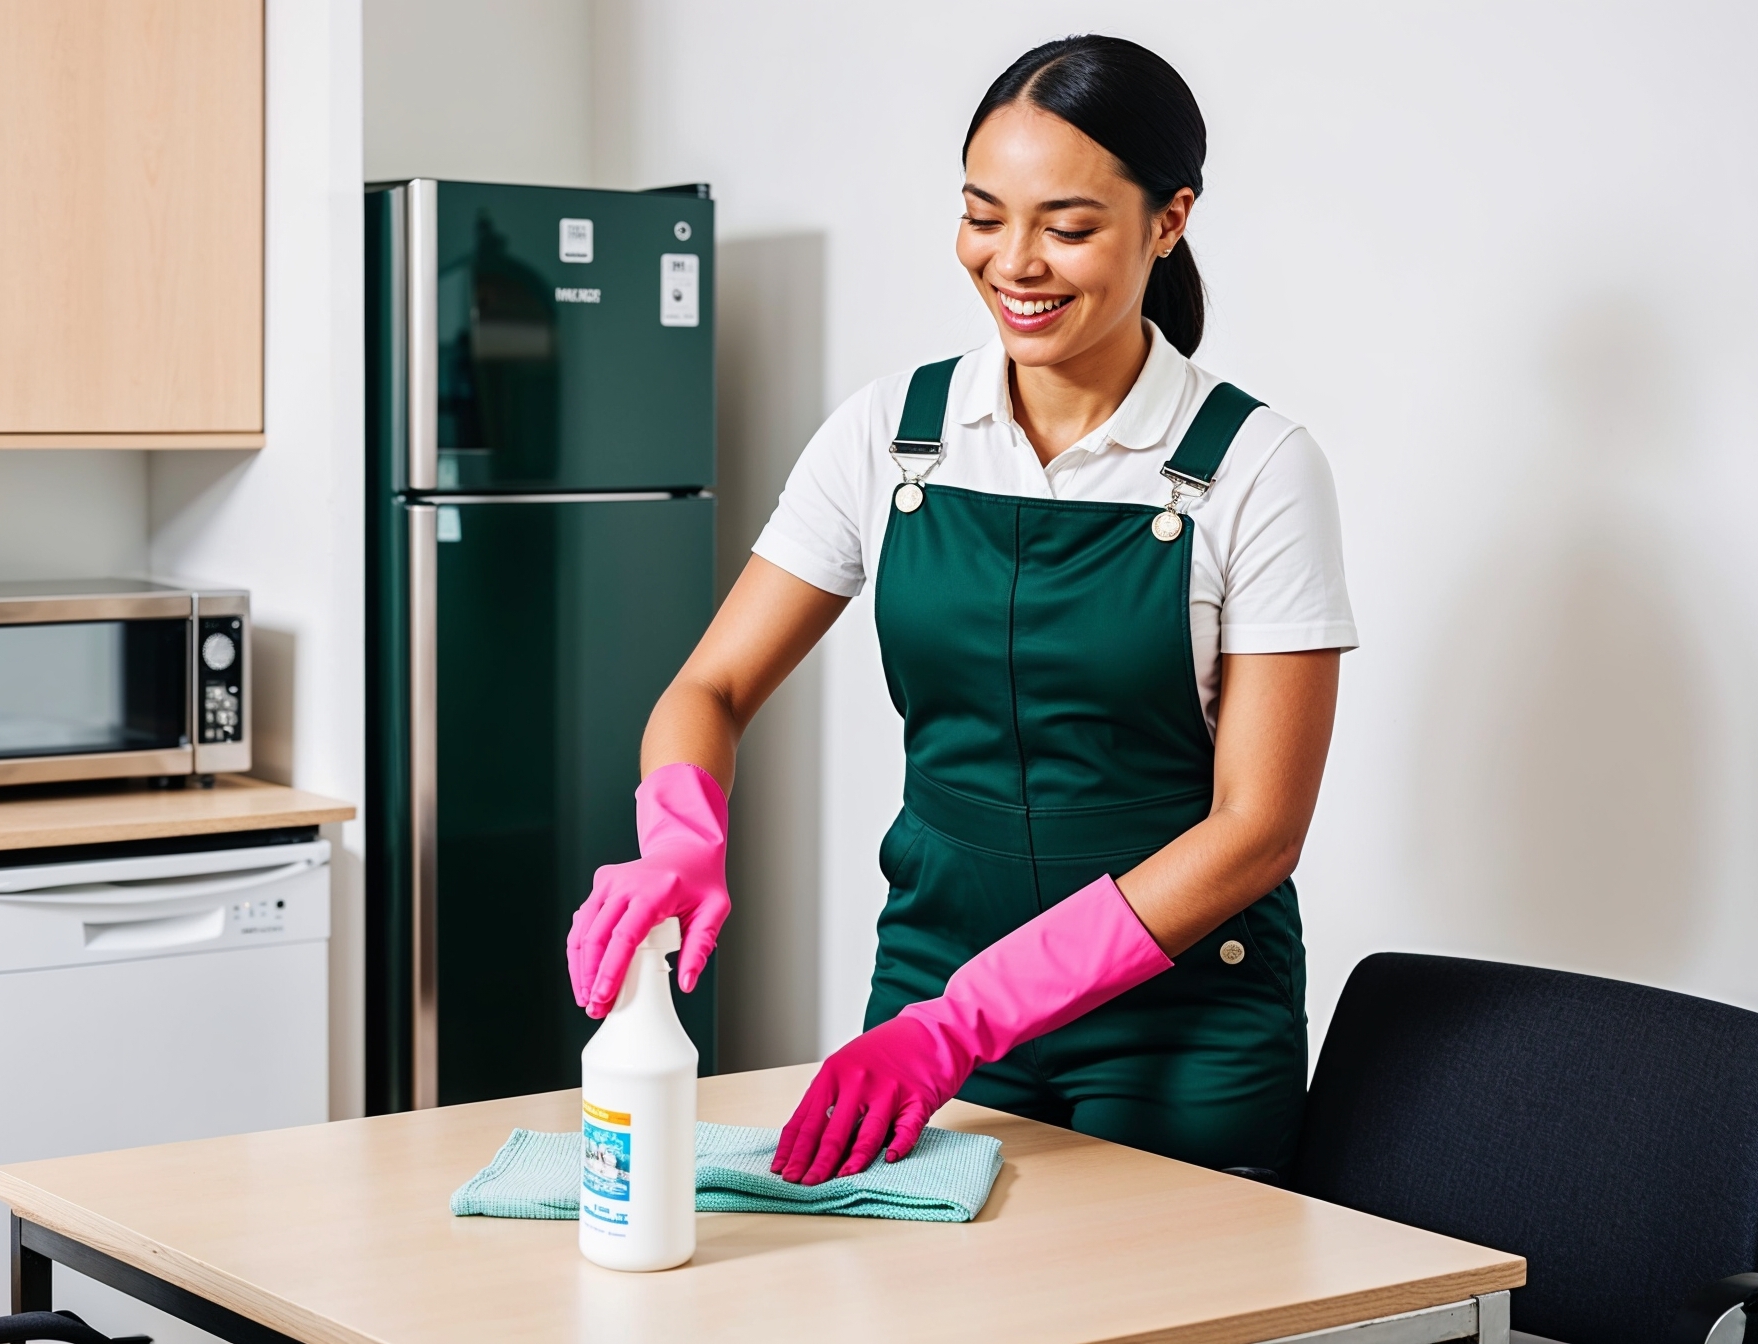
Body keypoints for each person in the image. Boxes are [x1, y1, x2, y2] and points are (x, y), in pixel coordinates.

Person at [565, 34, 1355, 1185]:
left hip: (1178, 1028)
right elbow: (712, 686)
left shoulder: (1255, 466)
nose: (1014, 263)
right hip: (927, 991)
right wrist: (680, 839)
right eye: (983, 217)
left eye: (1068, 227)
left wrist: (973, 1018)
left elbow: (1257, 829)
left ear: (1169, 219)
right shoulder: (895, 433)